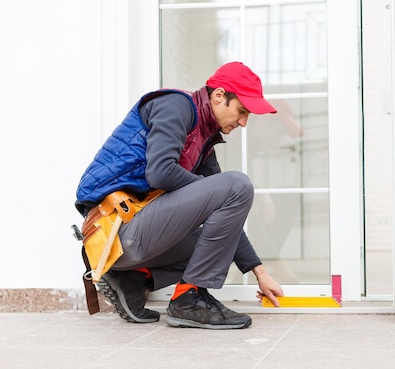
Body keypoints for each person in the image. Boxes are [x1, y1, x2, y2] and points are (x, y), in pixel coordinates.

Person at [75, 61, 284, 330]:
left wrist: (260, 272)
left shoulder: (204, 140)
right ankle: (189, 300)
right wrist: (202, 189)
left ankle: (134, 278)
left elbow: (227, 220)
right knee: (237, 184)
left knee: (224, 223)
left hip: (132, 235)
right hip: (115, 230)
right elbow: (160, 173)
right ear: (219, 96)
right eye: (241, 111)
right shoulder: (176, 106)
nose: (243, 122)